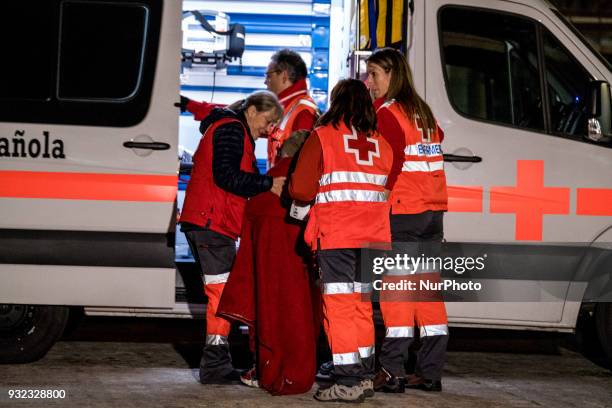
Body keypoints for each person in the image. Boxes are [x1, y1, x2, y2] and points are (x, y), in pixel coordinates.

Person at [290, 79, 394, 403]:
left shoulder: (323, 137)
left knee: (338, 309)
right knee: (362, 307)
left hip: (336, 236)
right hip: (373, 239)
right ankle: (363, 374)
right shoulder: (383, 145)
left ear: (336, 102)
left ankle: (348, 380)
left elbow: (301, 190)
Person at [179, 91, 285, 385]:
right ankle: (214, 365)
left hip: (210, 221)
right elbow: (226, 176)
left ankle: (216, 362)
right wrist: (267, 183)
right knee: (221, 296)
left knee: (220, 293)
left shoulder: (229, 127)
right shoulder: (232, 129)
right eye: (269, 120)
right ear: (251, 110)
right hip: (212, 222)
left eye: (274, 124)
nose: (270, 129)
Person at [366, 47, 449, 393]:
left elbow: (394, 159)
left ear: (392, 75)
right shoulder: (421, 111)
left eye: (374, 74)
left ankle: (392, 371)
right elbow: (437, 139)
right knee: (426, 294)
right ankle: (429, 372)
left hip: (404, 212)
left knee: (397, 294)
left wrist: (380, 193)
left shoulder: (387, 113)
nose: (368, 81)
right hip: (432, 213)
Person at [216, 130, 319, 395]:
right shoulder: (310, 183)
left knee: (267, 316)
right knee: (302, 318)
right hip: (301, 269)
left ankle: (265, 369)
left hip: (266, 273)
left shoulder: (262, 185)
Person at [264, 49, 319, 167]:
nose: (265, 82)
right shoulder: (288, 108)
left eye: (269, 76)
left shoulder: (303, 112)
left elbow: (303, 166)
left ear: (284, 76)